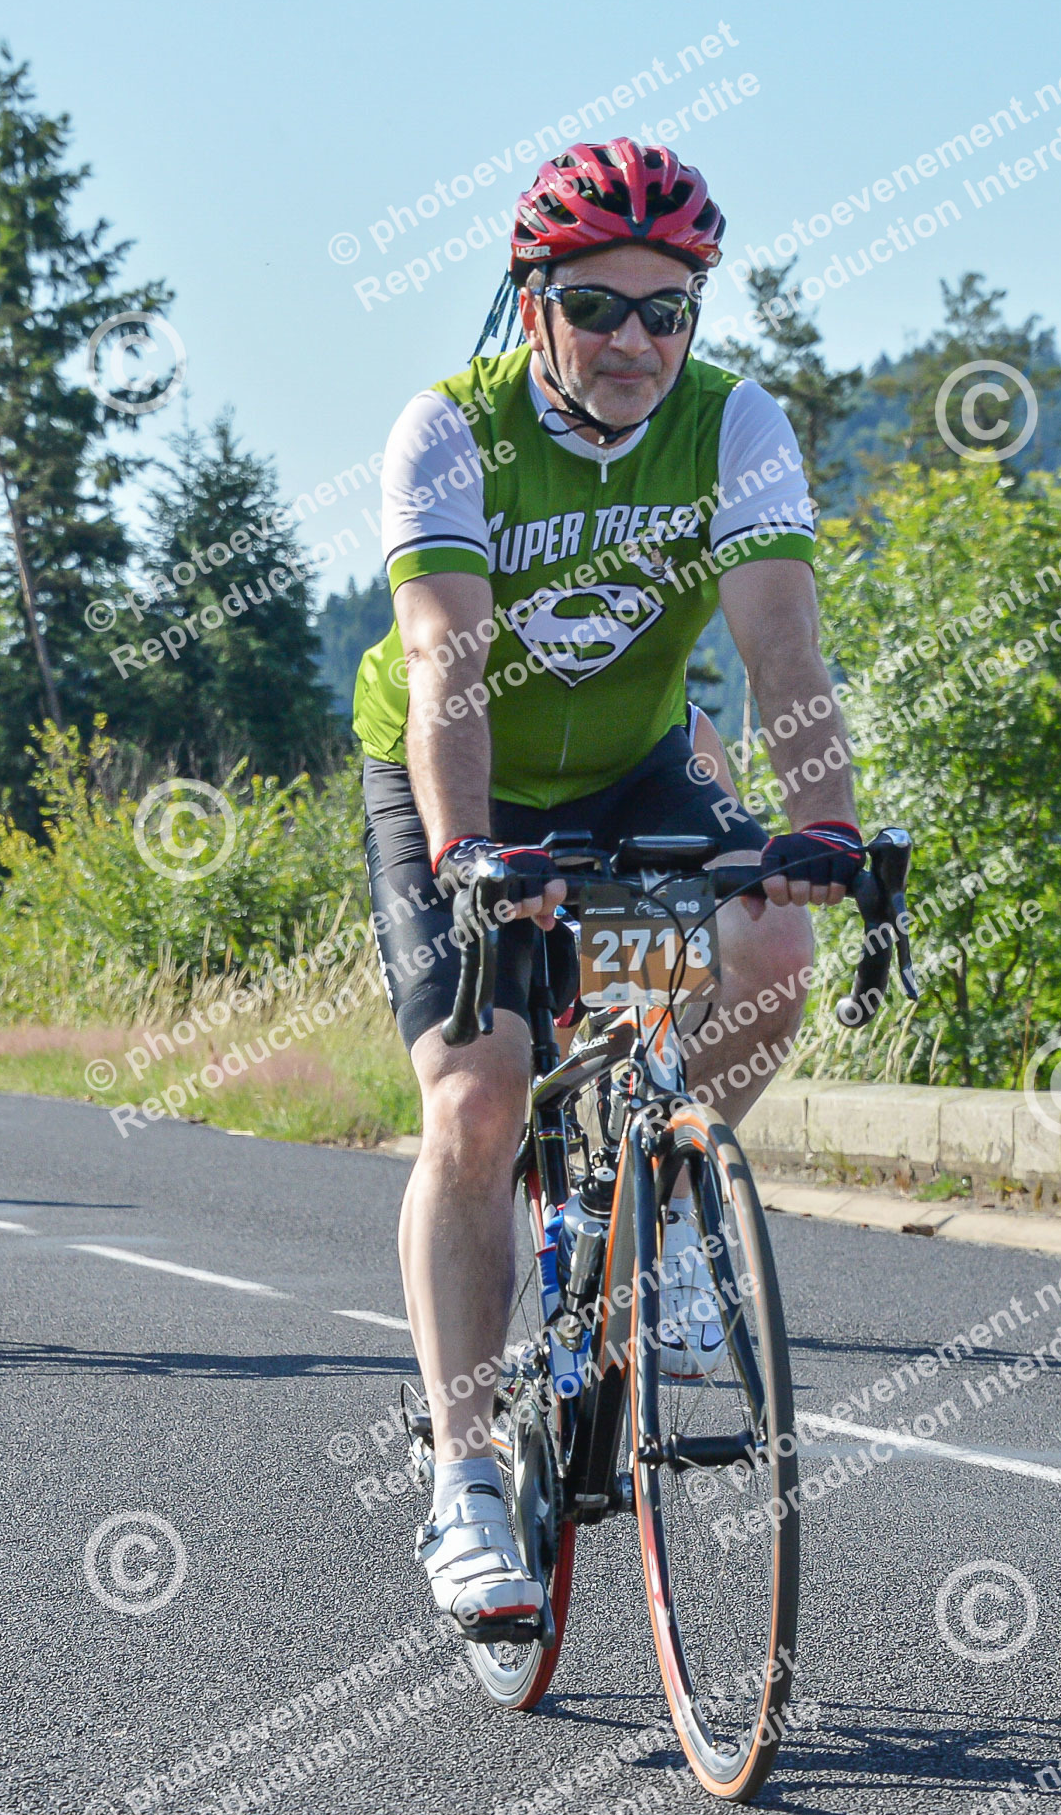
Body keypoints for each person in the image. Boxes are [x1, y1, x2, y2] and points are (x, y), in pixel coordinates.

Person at [352, 138, 864, 1636]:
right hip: (459, 774)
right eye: (597, 306)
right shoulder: (451, 430)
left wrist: (825, 826)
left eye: (667, 309)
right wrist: (469, 856)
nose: (636, 340)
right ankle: (463, 1481)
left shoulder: (733, 422)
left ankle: (673, 1214)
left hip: (641, 759)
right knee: (477, 1098)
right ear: (536, 308)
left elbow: (780, 643)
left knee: (770, 942)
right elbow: (445, 660)